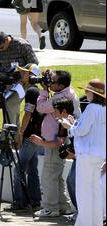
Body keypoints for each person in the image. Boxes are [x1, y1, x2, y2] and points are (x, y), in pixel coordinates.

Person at [61, 79, 105, 226]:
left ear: (93, 93)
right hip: (99, 155)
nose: (86, 93)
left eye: (88, 91)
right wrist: (75, 125)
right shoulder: (103, 109)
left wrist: (69, 126)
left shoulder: (91, 108)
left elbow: (81, 131)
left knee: (84, 192)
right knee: (94, 191)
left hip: (87, 155)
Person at [35, 70, 80, 217]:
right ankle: (63, 206)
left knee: (49, 176)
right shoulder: (68, 91)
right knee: (56, 176)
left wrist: (44, 91)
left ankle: (50, 208)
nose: (50, 83)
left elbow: (40, 108)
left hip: (55, 141)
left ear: (61, 85)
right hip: (59, 139)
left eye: (53, 81)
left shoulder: (60, 97)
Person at [29, 98, 76, 214]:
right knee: (57, 179)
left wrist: (41, 143)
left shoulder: (65, 123)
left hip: (54, 151)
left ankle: (51, 209)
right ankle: (63, 207)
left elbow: (59, 142)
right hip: (60, 153)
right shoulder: (69, 120)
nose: (54, 114)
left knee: (48, 179)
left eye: (55, 111)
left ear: (64, 111)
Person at [10, 63, 44, 210]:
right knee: (32, 170)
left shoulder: (31, 91)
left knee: (18, 170)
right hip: (37, 136)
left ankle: (20, 202)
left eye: (24, 73)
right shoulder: (38, 91)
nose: (22, 75)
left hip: (30, 136)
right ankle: (35, 201)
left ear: (31, 75)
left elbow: (28, 114)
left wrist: (21, 132)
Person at [0, 31, 39, 127]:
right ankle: (12, 133)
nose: (1, 50)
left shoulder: (22, 45)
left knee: (10, 103)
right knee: (6, 106)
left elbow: (34, 64)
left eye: (1, 47)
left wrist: (22, 75)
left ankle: (10, 134)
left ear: (6, 40)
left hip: (25, 83)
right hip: (9, 83)